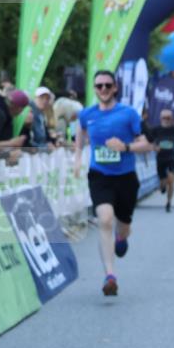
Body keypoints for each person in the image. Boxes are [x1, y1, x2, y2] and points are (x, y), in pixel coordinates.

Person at [73, 70, 149, 296]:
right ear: (95, 89)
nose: (103, 89)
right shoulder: (87, 115)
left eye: (107, 85)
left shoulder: (128, 114)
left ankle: (121, 236)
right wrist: (77, 160)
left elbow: (146, 144)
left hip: (126, 177)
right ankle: (110, 275)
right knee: (105, 219)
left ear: (115, 88)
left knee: (123, 226)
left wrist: (125, 147)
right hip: (100, 175)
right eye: (99, 86)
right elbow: (79, 140)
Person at [151, 109, 174, 212]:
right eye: (164, 118)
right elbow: (150, 142)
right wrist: (154, 148)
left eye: (168, 118)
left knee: (171, 180)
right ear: (160, 118)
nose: (166, 120)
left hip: (171, 157)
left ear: (171, 118)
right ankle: (162, 186)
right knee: (163, 182)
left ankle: (169, 202)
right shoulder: (156, 130)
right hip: (160, 158)